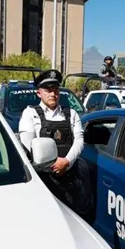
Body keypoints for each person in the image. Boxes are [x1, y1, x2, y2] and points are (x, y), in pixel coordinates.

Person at [19, 69, 91, 215]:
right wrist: (51, 163)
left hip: (70, 176)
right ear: (39, 93)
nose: (53, 94)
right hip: (43, 177)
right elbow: (28, 143)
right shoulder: (30, 113)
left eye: (56, 89)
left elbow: (79, 140)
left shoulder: (71, 113)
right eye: (48, 90)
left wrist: (66, 162)